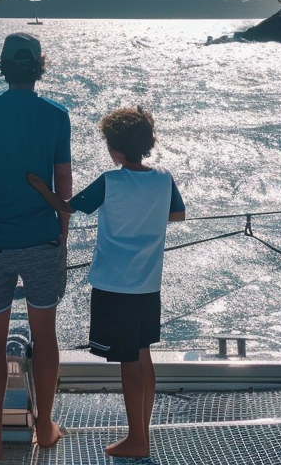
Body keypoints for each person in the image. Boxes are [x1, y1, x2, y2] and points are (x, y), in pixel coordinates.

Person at [27, 105, 185, 460]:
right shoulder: (163, 178)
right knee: (143, 357)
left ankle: (137, 440)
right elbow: (178, 213)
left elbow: (67, 207)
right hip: (148, 285)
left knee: (129, 363)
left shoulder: (111, 181)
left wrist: (39, 187)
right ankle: (141, 433)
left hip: (116, 287)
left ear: (115, 149)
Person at [0, 32, 72, 460]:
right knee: (45, 334)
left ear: (3, 67)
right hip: (42, 239)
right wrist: (62, 230)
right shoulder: (57, 116)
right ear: (40, 65)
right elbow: (63, 182)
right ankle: (44, 426)